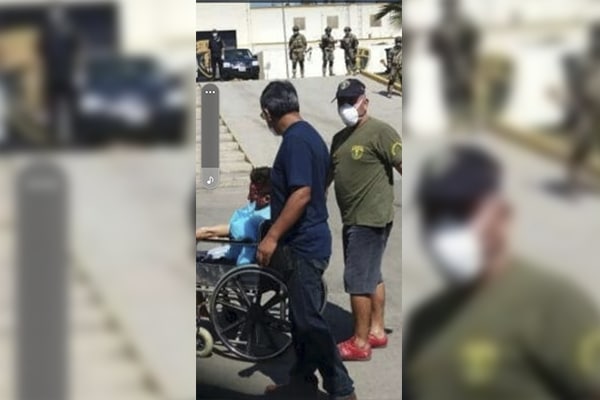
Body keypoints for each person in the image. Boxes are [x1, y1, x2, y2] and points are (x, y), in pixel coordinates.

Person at [403, 145, 600, 399]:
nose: (445, 228)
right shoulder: (425, 322)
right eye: (435, 214)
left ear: (502, 214)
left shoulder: (555, 305)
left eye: (461, 211)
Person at [256, 81, 356, 400]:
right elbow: (320, 183)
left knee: (310, 322)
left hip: (304, 245)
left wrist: (272, 237)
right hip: (309, 238)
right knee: (299, 319)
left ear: (268, 112)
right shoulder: (309, 135)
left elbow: (302, 194)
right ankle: (301, 381)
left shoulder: (295, 142)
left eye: (264, 115)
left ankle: (342, 389)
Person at [328, 79, 402, 361]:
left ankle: (359, 343)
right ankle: (376, 330)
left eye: (351, 100)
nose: (346, 107)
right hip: (352, 218)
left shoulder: (381, 131)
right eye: (342, 102)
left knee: (357, 279)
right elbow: (327, 178)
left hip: (370, 218)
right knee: (372, 275)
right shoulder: (339, 139)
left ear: (365, 102)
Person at [196, 167, 271, 265]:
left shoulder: (258, 219)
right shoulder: (264, 209)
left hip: (236, 262)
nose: (249, 196)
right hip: (231, 251)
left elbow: (231, 229)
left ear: (266, 198)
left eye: (255, 193)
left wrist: (203, 232)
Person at [563, 23, 600, 194]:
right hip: (586, 107)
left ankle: (579, 177)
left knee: (588, 144)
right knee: (582, 143)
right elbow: (577, 83)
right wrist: (574, 104)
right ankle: (573, 178)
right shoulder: (587, 59)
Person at [430, 0, 479, 123]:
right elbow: (434, 46)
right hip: (449, 65)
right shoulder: (441, 27)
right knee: (452, 94)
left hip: (462, 64)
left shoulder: (464, 25)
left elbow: (473, 42)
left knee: (464, 92)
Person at [39, 5, 79, 145]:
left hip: (67, 76)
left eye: (57, 13)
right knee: (52, 110)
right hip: (51, 76)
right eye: (53, 14)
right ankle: (53, 139)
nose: (55, 16)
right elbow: (40, 54)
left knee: (71, 109)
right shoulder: (46, 33)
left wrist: (77, 73)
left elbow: (77, 53)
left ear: (62, 15)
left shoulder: (70, 31)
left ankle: (73, 138)